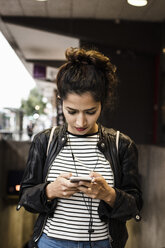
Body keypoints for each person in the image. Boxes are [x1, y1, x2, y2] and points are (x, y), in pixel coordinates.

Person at [17, 47, 142, 248]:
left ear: (102, 102)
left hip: (103, 243)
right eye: (71, 111)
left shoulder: (122, 145)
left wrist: (108, 194)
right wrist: (50, 190)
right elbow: (25, 198)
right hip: (51, 243)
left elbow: (135, 206)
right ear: (61, 102)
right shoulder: (44, 141)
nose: (80, 121)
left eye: (90, 111)